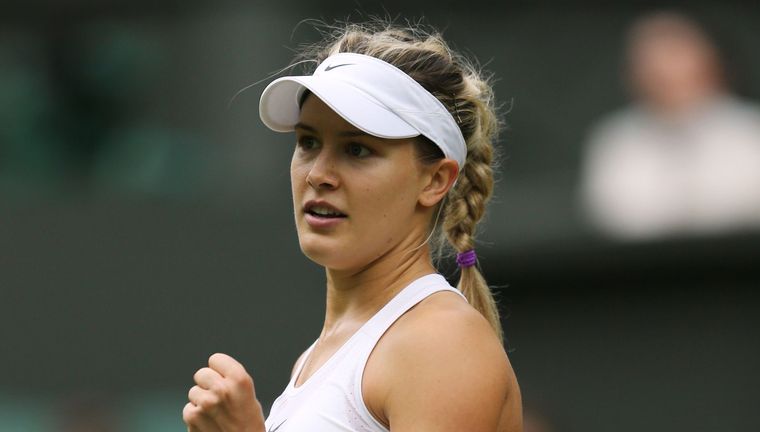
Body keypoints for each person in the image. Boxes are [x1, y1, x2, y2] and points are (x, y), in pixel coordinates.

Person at [183, 21, 522, 432]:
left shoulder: (440, 342)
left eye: (357, 149)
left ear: (435, 181)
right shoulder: (315, 360)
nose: (318, 174)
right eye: (308, 142)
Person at [582, 11, 760, 240]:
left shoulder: (754, 131)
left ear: (709, 61)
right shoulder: (616, 138)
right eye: (651, 61)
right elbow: (612, 214)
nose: (665, 70)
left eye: (675, 54)